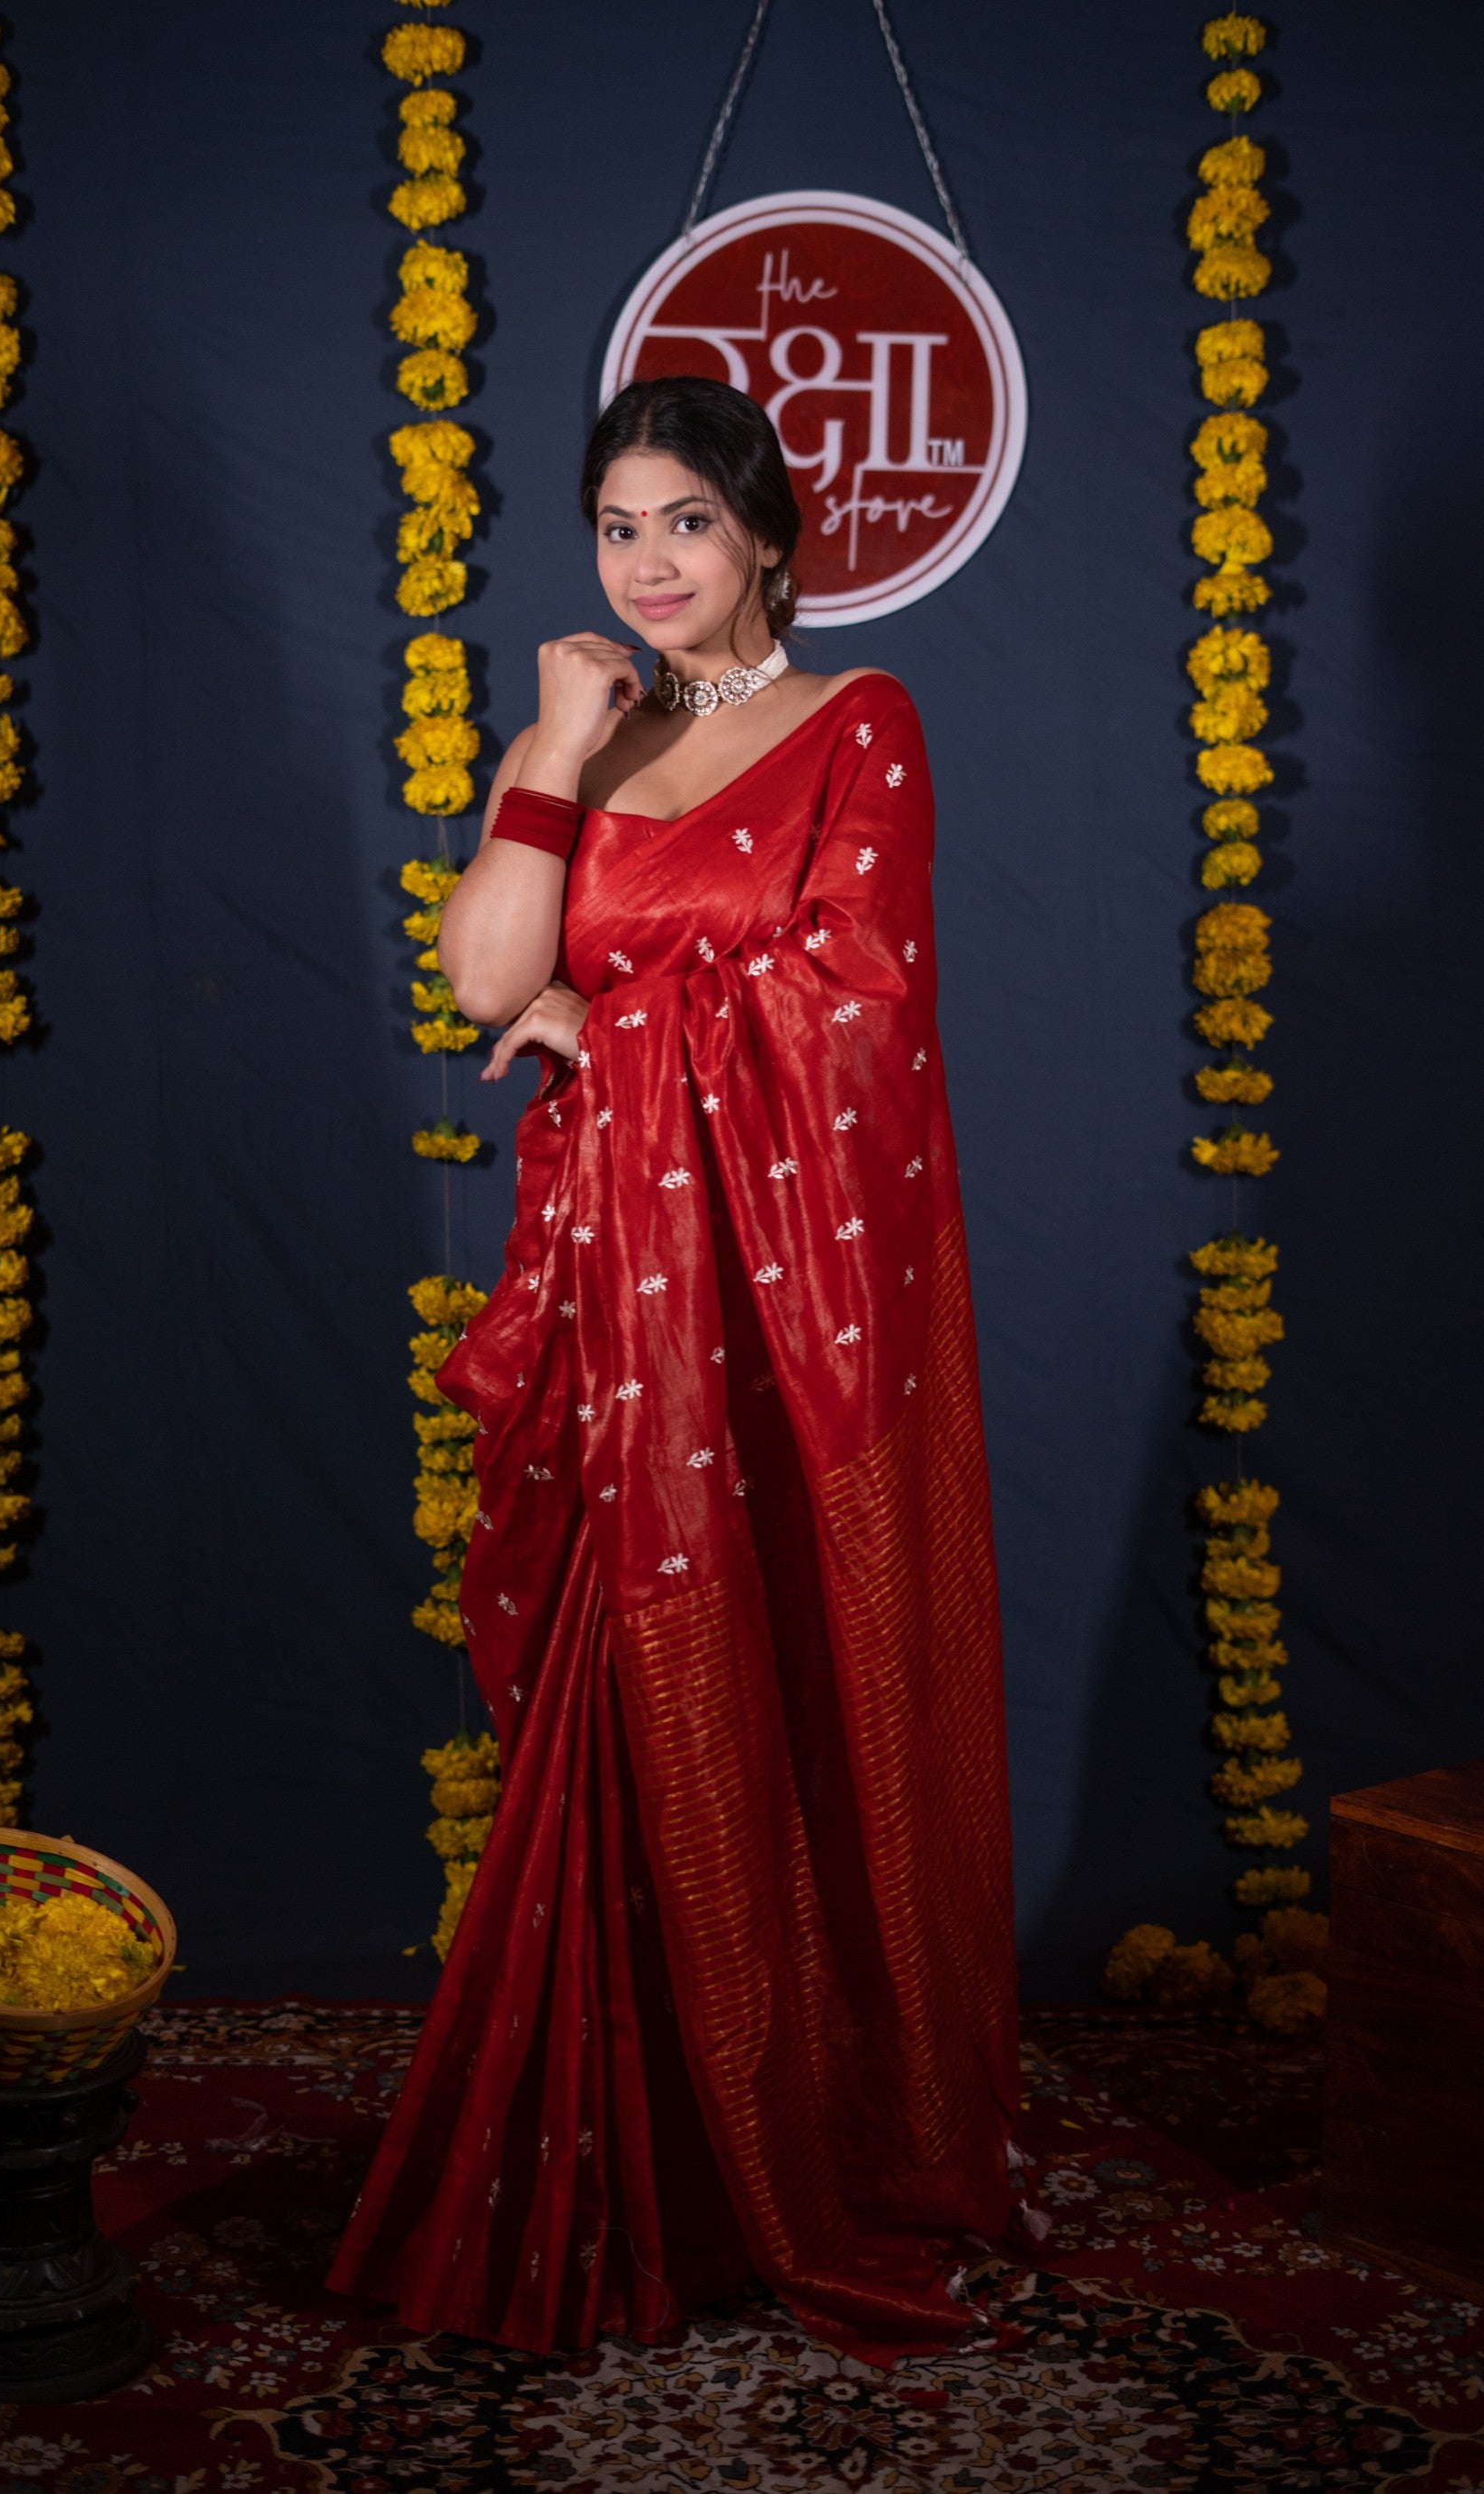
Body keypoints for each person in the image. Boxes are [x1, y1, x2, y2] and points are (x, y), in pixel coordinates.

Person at [328, 375, 1019, 2365]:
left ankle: (802, 2139)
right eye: (620, 527)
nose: (650, 565)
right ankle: (626, 2145)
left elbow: (862, 1012)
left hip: (777, 1332)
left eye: (688, 526)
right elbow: (474, 975)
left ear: (771, 541)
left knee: (784, 1681)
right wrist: (549, 749)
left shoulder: (855, 724)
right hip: (618, 1324)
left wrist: (608, 1031)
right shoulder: (589, 734)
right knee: (616, 1707)